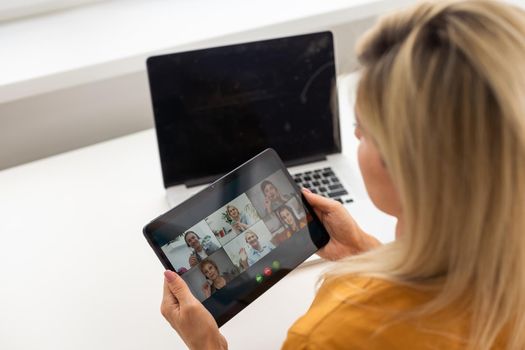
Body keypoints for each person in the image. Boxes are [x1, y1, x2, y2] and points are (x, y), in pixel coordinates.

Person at [160, 1, 525, 349]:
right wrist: (362, 251)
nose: (354, 137)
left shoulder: (334, 334)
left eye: (363, 129)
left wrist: (207, 344)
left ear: (412, 170)